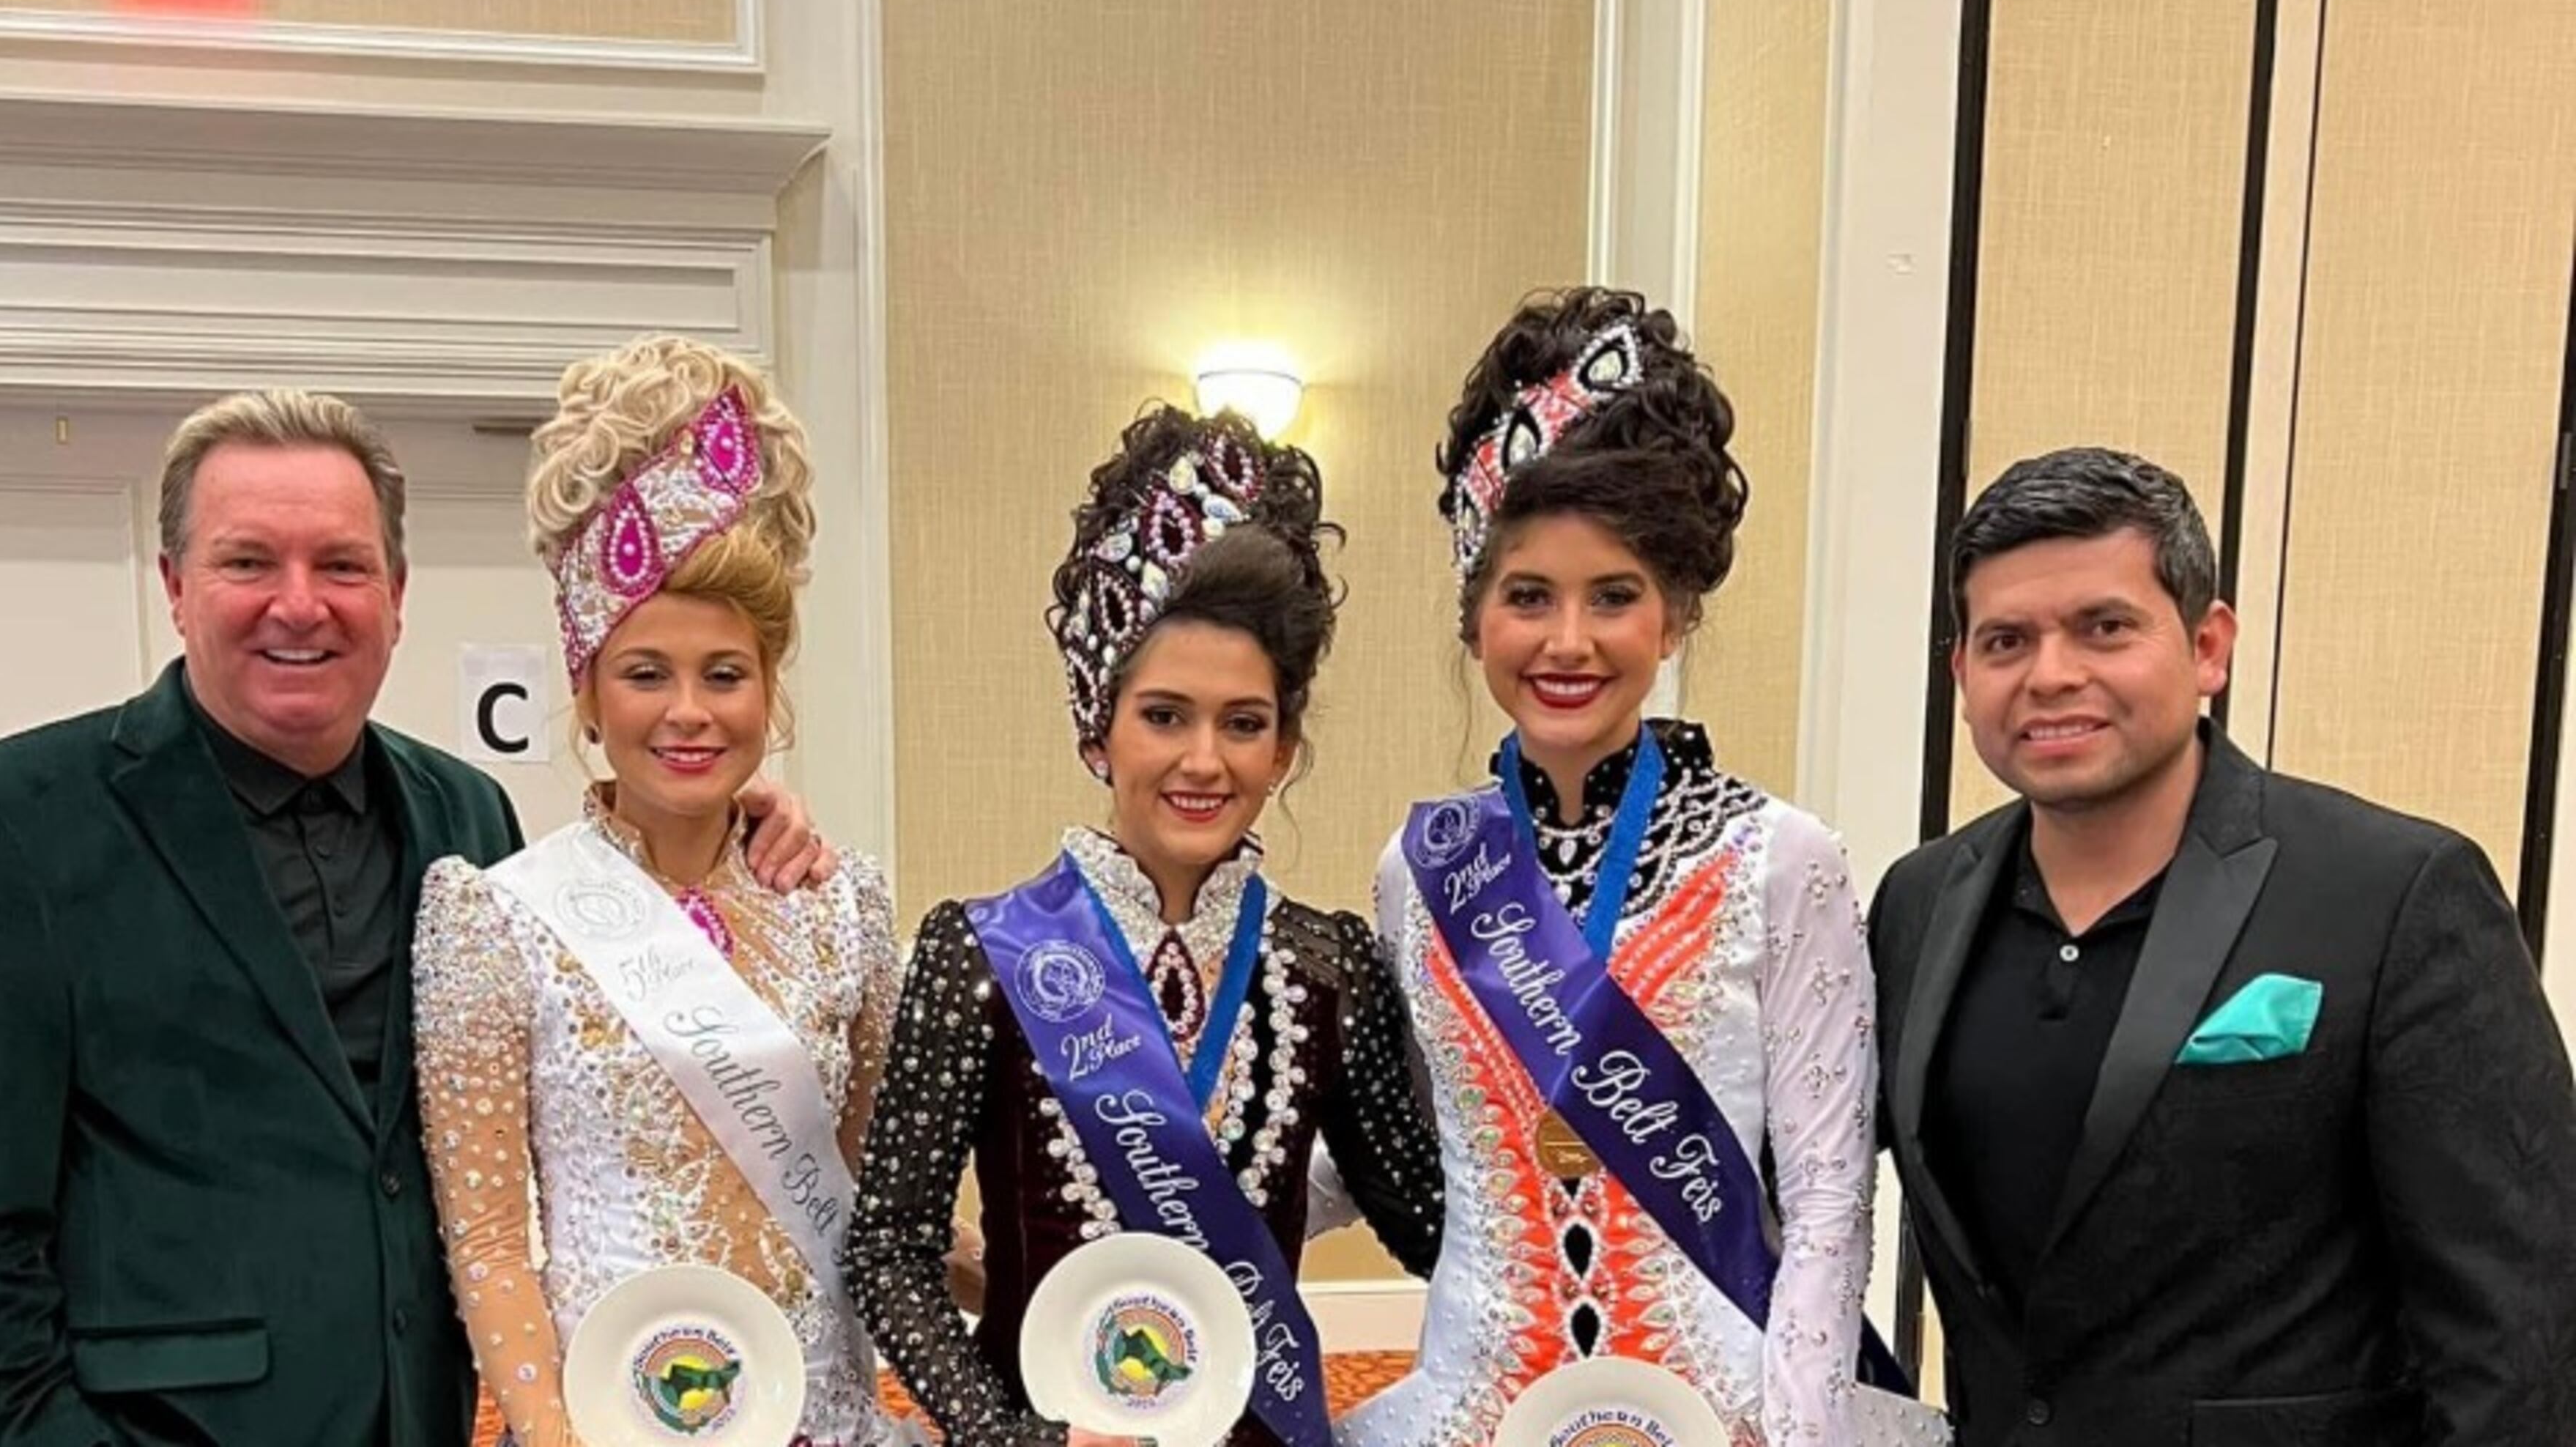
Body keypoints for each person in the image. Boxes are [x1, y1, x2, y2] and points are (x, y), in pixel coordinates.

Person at [0, 387, 823, 1447]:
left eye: (341, 565)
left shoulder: (466, 813)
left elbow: (586, 982)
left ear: (396, 593)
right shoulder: (18, 820)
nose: (300, 603)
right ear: (175, 587)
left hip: (413, 1413)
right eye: (248, 562)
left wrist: (733, 819)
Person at [1868, 445, 2576, 1445]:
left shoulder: (2393, 893)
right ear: (1962, 673)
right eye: (2006, 641)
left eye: (2104, 628)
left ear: (2209, 646)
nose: (2052, 674)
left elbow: (2519, 1330)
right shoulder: (1918, 902)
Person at [1347, 289, 1927, 1447]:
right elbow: (1405, 1131)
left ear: (1674, 620)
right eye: (1527, 598)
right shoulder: (1422, 870)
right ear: (1476, 626)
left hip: (1725, 1413)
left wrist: (1793, 1427)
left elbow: (1825, 1199)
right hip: (1478, 1407)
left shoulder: (1782, 859)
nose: (1569, 641)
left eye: (1614, 597)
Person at [847, 407, 1444, 1447]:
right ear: (1098, 726)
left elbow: (1431, 1222)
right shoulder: (978, 953)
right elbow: (889, 1249)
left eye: (1244, 723)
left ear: (1285, 746)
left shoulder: (1328, 964)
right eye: (1165, 715)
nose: (1204, 762)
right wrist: (1012, 1441)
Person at [410, 336, 904, 1447]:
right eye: (646, 673)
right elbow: (487, 1243)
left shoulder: (845, 906)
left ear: (770, 691)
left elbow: (874, 1198)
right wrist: (552, 1431)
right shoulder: (495, 919)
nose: (690, 711)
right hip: (609, 1421)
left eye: (725, 675)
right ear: (586, 695)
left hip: (827, 1417)